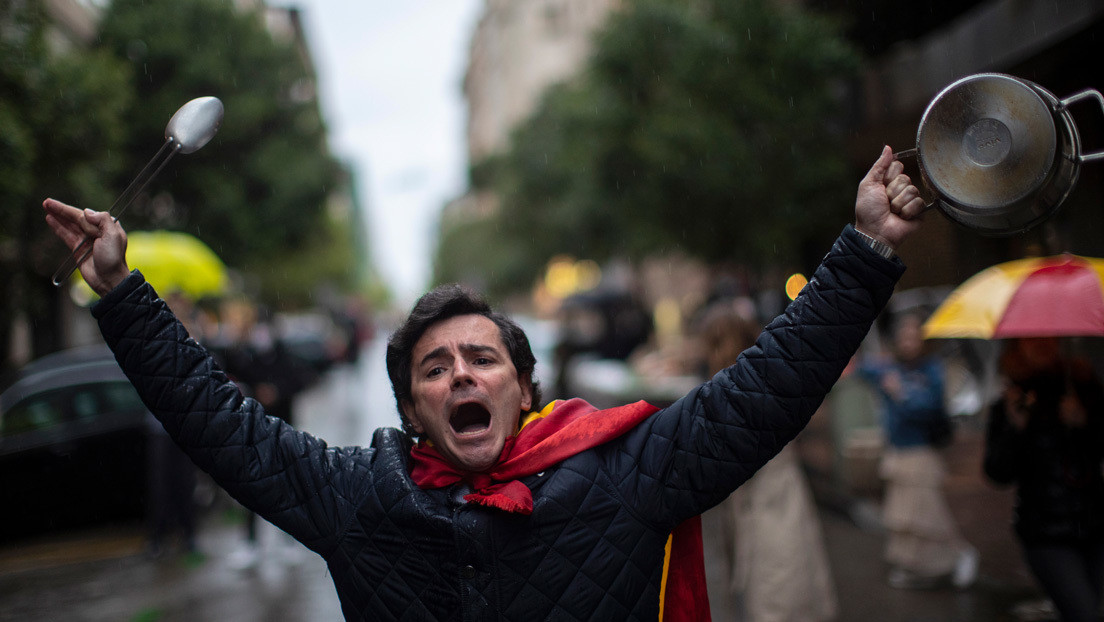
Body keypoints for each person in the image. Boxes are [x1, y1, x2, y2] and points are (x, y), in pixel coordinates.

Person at [42, 145, 923, 620]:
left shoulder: (623, 472)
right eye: (435, 367)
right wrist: (121, 294)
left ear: (523, 386)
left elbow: (761, 395)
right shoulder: (358, 499)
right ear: (413, 411)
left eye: (482, 358)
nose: (460, 371)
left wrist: (866, 250)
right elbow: (217, 424)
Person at [695, 302, 838, 622]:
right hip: (779, 489)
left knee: (775, 580)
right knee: (789, 572)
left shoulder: (732, 389)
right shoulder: (768, 373)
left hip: (768, 495)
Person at [984, 337, 1104, 622]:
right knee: (1083, 613)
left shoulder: (1083, 387)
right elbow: (998, 474)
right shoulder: (1010, 401)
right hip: (1045, 532)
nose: (1042, 344)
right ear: (1017, 346)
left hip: (1096, 523)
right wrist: (1015, 430)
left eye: (1048, 337)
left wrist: (1083, 424)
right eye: (1032, 339)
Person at [859, 312, 979, 590]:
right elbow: (863, 370)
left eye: (914, 336)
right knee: (907, 520)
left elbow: (931, 408)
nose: (909, 343)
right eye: (904, 336)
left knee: (929, 515)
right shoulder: (891, 368)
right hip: (897, 453)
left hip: (921, 453)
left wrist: (901, 393)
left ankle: (959, 554)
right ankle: (918, 567)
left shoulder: (932, 370)